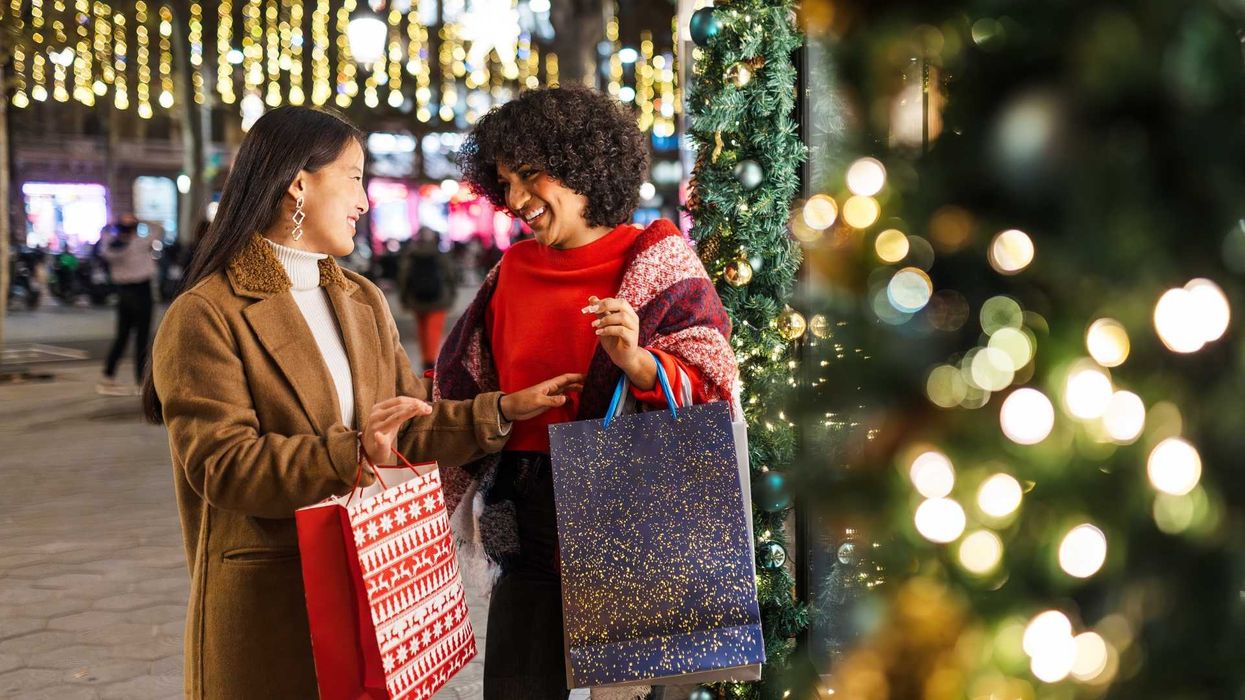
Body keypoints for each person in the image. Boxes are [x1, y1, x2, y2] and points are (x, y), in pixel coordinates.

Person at [141, 106, 584, 699]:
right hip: (276, 602)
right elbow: (223, 468)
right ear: (299, 182)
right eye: (353, 177)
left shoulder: (359, 298)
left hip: (373, 585)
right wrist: (354, 451)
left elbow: (405, 424)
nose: (365, 200)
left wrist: (501, 410)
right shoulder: (206, 315)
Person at [439, 85, 739, 699]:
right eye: (505, 182)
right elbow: (467, 382)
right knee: (517, 686)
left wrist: (639, 362)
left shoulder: (657, 259)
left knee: (635, 691)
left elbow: (713, 386)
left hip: (632, 503)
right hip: (523, 509)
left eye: (530, 176)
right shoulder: (511, 272)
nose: (517, 199)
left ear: (582, 166)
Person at [97, 215, 155, 395]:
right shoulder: (139, 243)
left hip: (123, 293)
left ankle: (108, 376)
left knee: (122, 336)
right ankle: (141, 380)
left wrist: (112, 226)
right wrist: (141, 219)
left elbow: (103, 238)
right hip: (142, 292)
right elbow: (159, 230)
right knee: (142, 338)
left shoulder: (111, 247)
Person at [397, 226, 458, 370]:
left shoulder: (411, 255)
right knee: (434, 331)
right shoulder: (440, 254)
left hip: (416, 299)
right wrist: (452, 295)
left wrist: (404, 298)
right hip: (438, 299)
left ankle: (426, 359)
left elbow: (403, 278)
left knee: (422, 330)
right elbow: (450, 276)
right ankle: (430, 361)